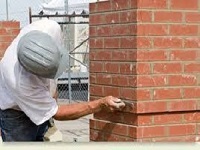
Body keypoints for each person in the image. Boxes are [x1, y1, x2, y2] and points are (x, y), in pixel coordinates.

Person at [0, 19, 125, 142]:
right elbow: (58, 113)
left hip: (36, 98)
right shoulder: (19, 82)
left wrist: (52, 97)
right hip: (16, 114)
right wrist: (99, 104)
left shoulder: (49, 28)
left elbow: (51, 79)